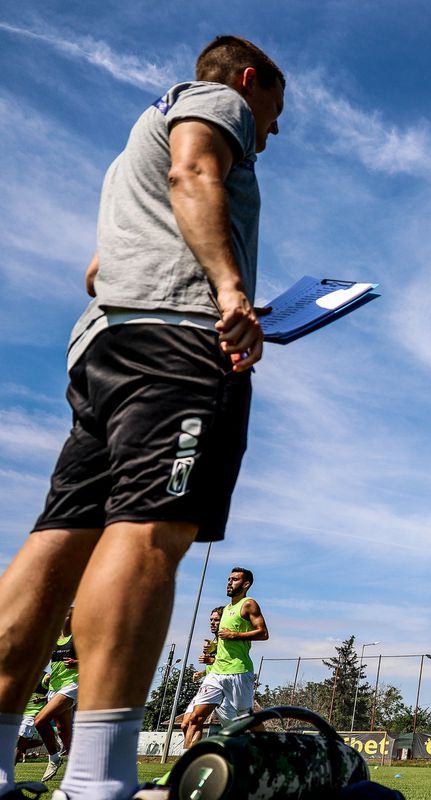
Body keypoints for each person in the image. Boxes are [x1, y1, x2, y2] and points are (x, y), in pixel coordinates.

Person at [0, 34, 284, 800]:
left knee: (59, 539)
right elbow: (195, 170)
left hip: (105, 345)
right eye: (274, 110)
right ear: (249, 81)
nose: (274, 130)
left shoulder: (132, 145)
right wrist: (228, 289)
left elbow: (99, 267)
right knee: (149, 530)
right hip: (176, 344)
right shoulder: (216, 102)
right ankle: (95, 782)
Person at [184, 570, 267, 736]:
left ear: (246, 584)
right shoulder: (226, 609)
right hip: (216, 673)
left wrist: (235, 635)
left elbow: (263, 633)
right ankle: (191, 760)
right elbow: (222, 641)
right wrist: (211, 655)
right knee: (194, 719)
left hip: (239, 671)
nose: (229, 582)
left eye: (235, 579)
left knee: (246, 720)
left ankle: (269, 746)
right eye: (228, 579)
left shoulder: (248, 604)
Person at [37, 612, 80, 782]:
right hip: (54, 688)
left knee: (40, 721)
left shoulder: (78, 637)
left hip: (72, 685)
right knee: (64, 733)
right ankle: (79, 771)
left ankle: (54, 758)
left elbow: (96, 658)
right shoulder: (53, 641)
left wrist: (77, 662)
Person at [181, 607, 224, 748]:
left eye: (216, 620)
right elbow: (214, 665)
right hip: (209, 681)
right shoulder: (213, 641)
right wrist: (202, 673)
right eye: (211, 620)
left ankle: (188, 758)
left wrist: (211, 660)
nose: (212, 622)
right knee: (184, 724)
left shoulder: (227, 640)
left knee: (195, 720)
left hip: (221, 683)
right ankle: (192, 753)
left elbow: (227, 662)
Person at [15, 675, 50, 764]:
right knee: (16, 743)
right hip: (17, 714)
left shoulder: (45, 677)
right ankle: (45, 742)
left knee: (19, 742)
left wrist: (42, 698)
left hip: (31, 715)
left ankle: (6, 775)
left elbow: (57, 693)